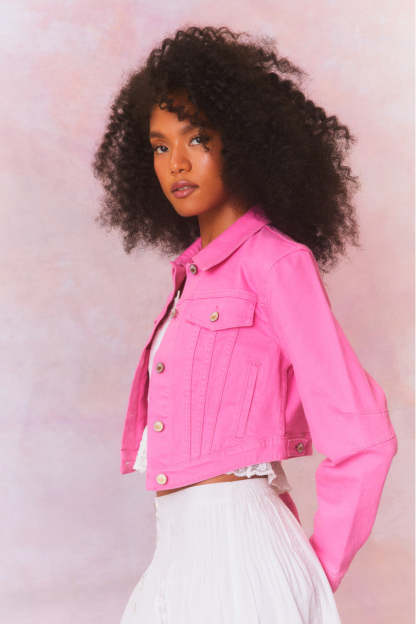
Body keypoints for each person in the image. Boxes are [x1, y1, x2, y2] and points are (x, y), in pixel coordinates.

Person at [92, 25, 397, 623]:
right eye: (159, 146)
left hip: (242, 561)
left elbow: (365, 438)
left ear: (244, 142)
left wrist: (314, 574)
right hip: (176, 558)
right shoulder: (190, 278)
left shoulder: (278, 264)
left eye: (197, 139)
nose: (177, 163)